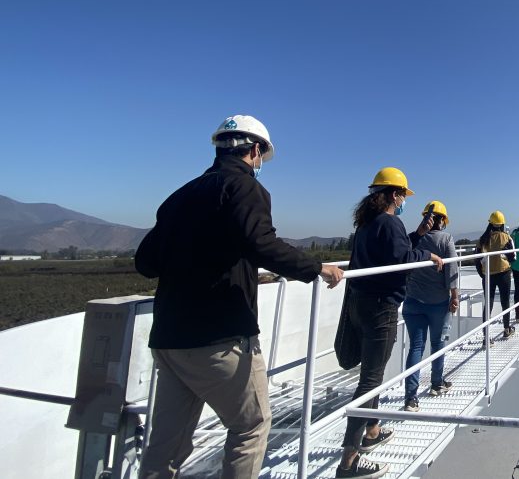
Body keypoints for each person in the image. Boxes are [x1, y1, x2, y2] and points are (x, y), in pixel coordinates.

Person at [135, 114, 344, 479]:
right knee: (251, 425)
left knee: (166, 446)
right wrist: (316, 268)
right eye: (262, 154)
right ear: (256, 151)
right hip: (220, 338)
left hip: (170, 339)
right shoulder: (244, 188)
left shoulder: (180, 196)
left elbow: (146, 263)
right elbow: (260, 242)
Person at [336, 168, 444, 479]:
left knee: (374, 375)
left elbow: (391, 252)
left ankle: (372, 430)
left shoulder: (367, 224)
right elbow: (402, 260)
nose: (404, 201)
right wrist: (425, 252)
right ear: (395, 195)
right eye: (403, 195)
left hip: (360, 303)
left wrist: (417, 237)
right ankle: (348, 462)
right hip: (381, 309)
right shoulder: (390, 222)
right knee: (370, 380)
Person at [402, 201, 459, 412]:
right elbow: (451, 269)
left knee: (415, 347)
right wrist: (454, 296)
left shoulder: (413, 238)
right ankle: (437, 383)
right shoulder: (446, 239)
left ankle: (410, 398)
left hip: (413, 301)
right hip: (438, 303)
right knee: (438, 344)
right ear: (443, 221)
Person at [474, 211, 515, 340]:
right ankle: (506, 329)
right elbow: (513, 257)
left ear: (490, 224)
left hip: (488, 275)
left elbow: (477, 258)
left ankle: (486, 337)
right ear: (502, 224)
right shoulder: (507, 237)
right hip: (504, 273)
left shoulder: (483, 239)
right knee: (505, 302)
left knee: (488, 304)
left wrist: (482, 273)